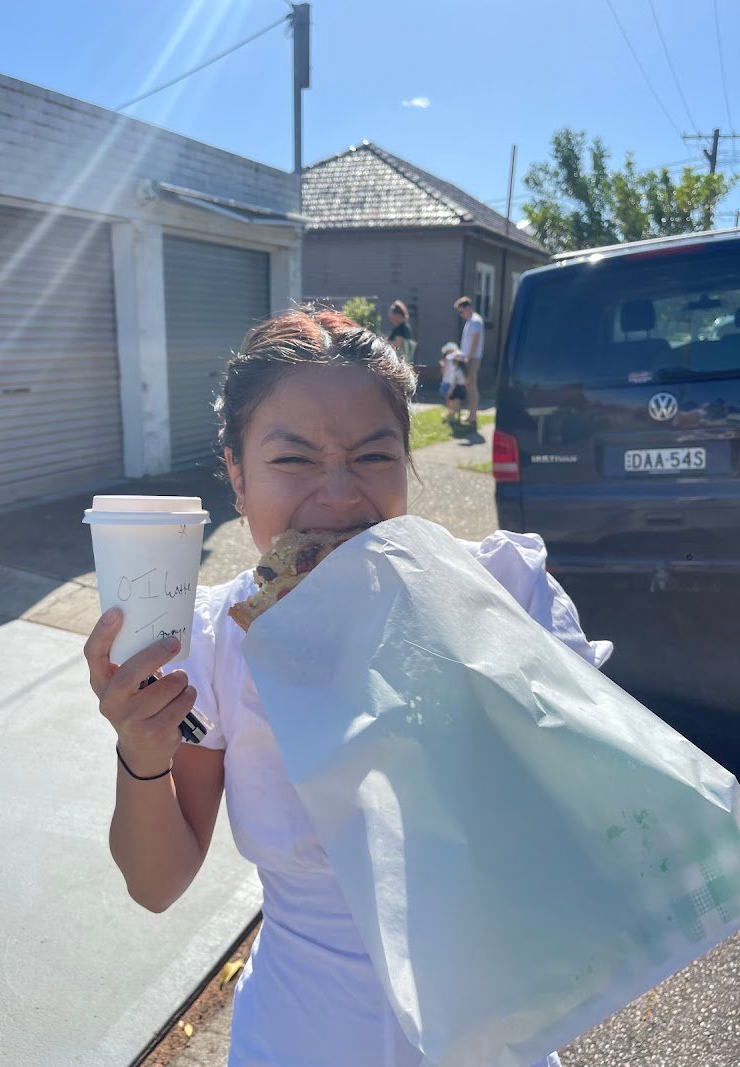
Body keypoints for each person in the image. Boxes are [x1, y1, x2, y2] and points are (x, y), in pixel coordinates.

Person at [84, 306, 610, 1067]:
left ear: (407, 462)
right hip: (297, 1038)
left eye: (372, 456)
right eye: (294, 460)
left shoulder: (501, 595)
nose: (338, 495)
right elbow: (156, 884)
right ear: (237, 476)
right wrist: (141, 751)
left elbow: (598, 835)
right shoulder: (217, 641)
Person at [454, 295, 485, 430]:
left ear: (467, 308)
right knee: (470, 386)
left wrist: (468, 358)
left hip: (472, 359)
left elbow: (475, 340)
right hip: (468, 357)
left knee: (471, 386)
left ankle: (473, 416)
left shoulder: (476, 321)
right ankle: (471, 415)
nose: (461, 315)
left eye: (462, 312)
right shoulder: (470, 321)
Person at [439, 340, 467, 422]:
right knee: (451, 400)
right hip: (448, 381)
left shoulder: (455, 366)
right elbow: (443, 371)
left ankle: (452, 414)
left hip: (453, 383)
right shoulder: (447, 360)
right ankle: (452, 413)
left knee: (452, 400)